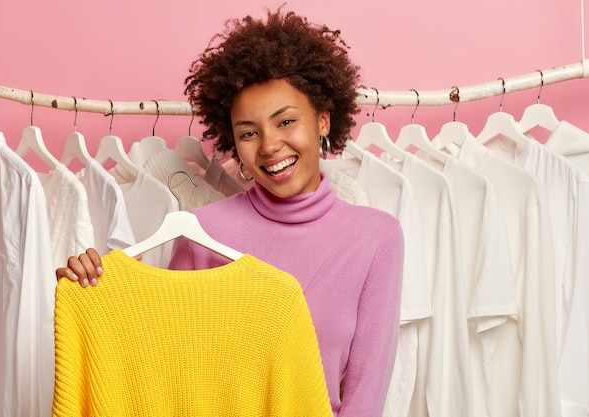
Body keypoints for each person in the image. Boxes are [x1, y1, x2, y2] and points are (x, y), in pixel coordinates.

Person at [56, 8, 404, 417]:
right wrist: (95, 294)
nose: (270, 145)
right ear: (233, 143)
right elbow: (166, 368)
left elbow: (366, 395)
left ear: (323, 121)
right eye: (249, 133)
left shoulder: (376, 238)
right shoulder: (204, 231)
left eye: (286, 121)